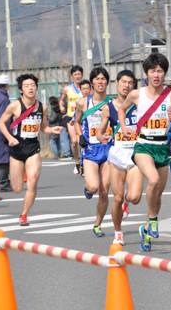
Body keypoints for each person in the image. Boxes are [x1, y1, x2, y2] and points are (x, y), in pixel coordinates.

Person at [118, 53, 171, 252]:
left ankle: (146, 230)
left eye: (160, 71)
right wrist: (124, 127)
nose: (156, 75)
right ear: (147, 73)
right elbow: (122, 110)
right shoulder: (137, 94)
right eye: (153, 71)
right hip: (143, 146)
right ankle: (153, 219)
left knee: (157, 194)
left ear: (165, 73)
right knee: (153, 181)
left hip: (163, 147)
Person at [0, 74, 63, 226]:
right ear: (21, 90)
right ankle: (15, 180)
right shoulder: (14, 106)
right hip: (16, 148)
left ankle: (24, 215)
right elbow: (1, 122)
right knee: (17, 188)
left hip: (33, 147)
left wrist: (53, 130)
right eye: (27, 86)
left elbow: (43, 128)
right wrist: (9, 137)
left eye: (33, 85)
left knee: (32, 182)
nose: (30, 88)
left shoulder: (43, 107)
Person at [97, 70, 143, 245]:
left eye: (130, 83)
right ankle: (118, 232)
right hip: (117, 154)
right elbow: (100, 131)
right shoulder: (108, 107)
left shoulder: (139, 104)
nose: (127, 86)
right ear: (116, 83)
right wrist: (102, 136)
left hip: (136, 154)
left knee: (135, 197)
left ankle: (127, 199)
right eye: (124, 82)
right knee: (116, 198)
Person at [75, 67, 112, 237]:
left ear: (107, 82)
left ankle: (97, 224)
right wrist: (80, 135)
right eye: (97, 79)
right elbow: (76, 122)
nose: (100, 81)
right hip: (90, 149)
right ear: (91, 83)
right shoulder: (83, 103)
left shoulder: (114, 103)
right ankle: (88, 188)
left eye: (103, 78)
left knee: (104, 191)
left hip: (109, 149)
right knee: (94, 186)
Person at [59, 65, 84, 173]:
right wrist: (61, 106)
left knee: (80, 141)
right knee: (74, 141)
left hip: (83, 118)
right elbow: (62, 100)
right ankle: (77, 162)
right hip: (71, 118)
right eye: (75, 75)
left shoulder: (86, 88)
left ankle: (83, 163)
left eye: (79, 74)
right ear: (72, 76)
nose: (77, 76)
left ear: (82, 75)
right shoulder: (67, 89)